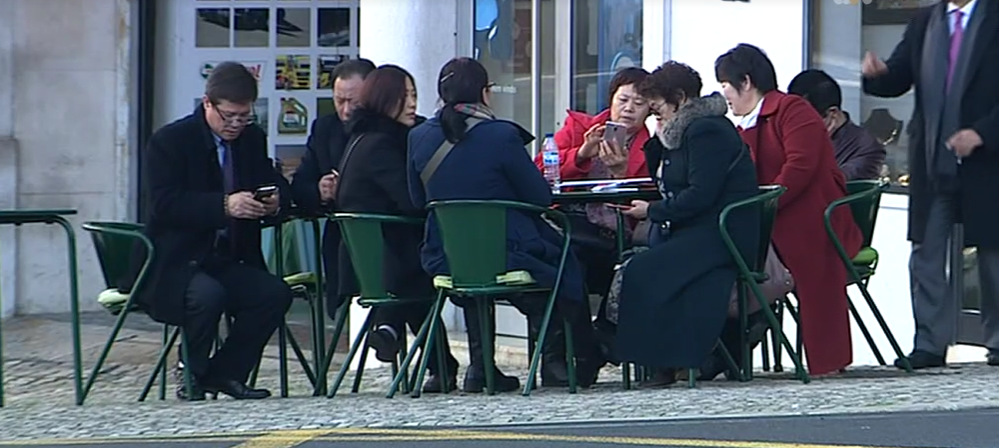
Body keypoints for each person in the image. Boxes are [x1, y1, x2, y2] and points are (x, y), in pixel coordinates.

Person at [408, 57, 604, 392]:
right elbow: (540, 197)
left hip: (447, 256)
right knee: (564, 260)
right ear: (485, 94)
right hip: (508, 252)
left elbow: (417, 200)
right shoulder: (500, 135)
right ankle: (557, 364)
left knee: (476, 274)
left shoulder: (418, 137)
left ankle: (481, 369)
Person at [130, 61, 293, 400]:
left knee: (273, 294)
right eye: (229, 116)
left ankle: (225, 374)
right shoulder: (171, 141)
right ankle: (191, 372)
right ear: (208, 103)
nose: (236, 124)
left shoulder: (251, 138)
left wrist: (275, 199)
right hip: (176, 260)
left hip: (227, 257)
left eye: (243, 116)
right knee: (208, 296)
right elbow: (164, 204)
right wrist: (223, 206)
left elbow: (268, 178)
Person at [862, 0, 999, 369]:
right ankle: (929, 344)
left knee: (992, 254)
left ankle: (998, 341)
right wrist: (877, 74)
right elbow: (898, 77)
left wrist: (983, 133)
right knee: (926, 253)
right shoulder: (926, 21)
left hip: (987, 162)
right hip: (931, 160)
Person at [715, 43, 863, 376]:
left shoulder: (792, 110)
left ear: (746, 82)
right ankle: (722, 351)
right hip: (770, 224)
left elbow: (800, 166)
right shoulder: (740, 124)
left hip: (812, 224)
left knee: (737, 260)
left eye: (725, 84)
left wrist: (764, 206)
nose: (723, 93)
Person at [610, 61, 760, 386]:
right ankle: (660, 361)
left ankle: (657, 361)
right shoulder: (680, 133)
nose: (654, 116)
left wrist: (652, 211)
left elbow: (701, 194)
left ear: (679, 99)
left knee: (645, 271)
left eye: (658, 109)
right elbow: (667, 180)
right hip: (699, 231)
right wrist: (657, 138)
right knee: (640, 264)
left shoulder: (706, 130)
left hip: (722, 234)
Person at [335, 64, 459, 393]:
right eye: (402, 97)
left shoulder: (366, 137)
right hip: (383, 260)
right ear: (383, 99)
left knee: (416, 282)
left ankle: (402, 337)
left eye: (414, 95)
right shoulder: (381, 145)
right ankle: (442, 361)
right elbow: (410, 202)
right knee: (430, 266)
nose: (411, 104)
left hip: (378, 260)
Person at [534, 68, 652, 304]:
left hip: (607, 232)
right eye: (623, 100)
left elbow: (643, 202)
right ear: (611, 99)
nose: (629, 108)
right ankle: (566, 335)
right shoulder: (579, 127)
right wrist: (581, 154)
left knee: (570, 263)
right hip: (564, 221)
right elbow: (538, 172)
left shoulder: (651, 147)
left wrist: (621, 174)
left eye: (639, 103)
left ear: (649, 109)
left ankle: (577, 335)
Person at [290, 58, 376, 317]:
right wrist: (320, 189)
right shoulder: (325, 129)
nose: (346, 110)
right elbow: (300, 185)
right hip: (342, 239)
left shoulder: (392, 128)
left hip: (384, 235)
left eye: (354, 101)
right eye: (340, 101)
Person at [787, 69, 887, 180]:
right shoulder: (791, 136)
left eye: (805, 120)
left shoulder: (867, 149)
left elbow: (832, 185)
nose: (797, 126)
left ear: (832, 114)